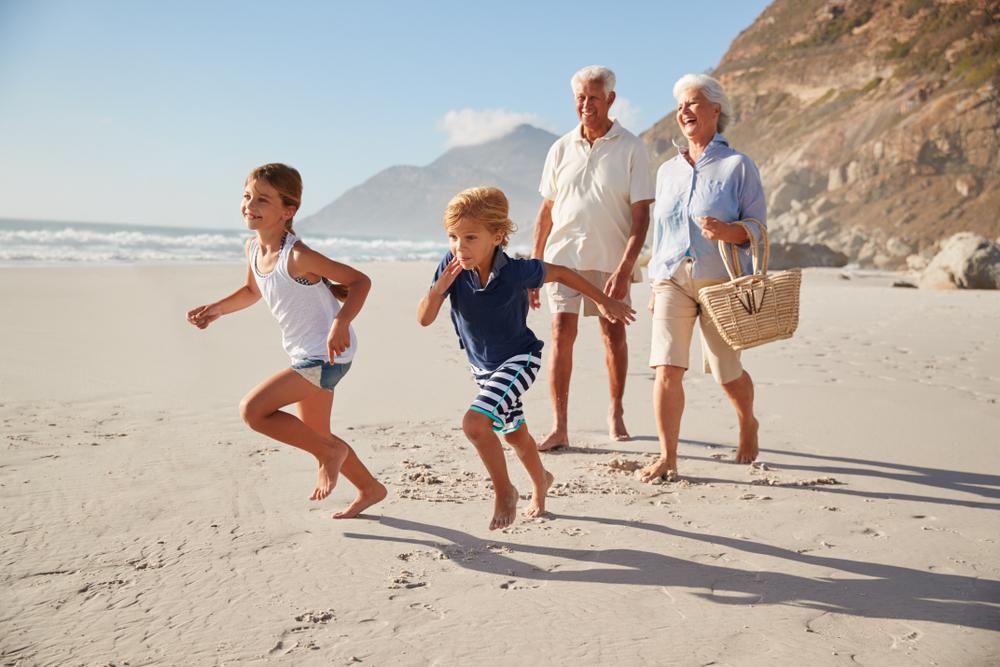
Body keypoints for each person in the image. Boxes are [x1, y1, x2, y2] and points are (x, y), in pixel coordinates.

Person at [417, 186, 635, 530]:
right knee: (515, 434)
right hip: (482, 368)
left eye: (470, 237)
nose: (460, 246)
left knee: (475, 424)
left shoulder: (516, 271)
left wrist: (605, 302)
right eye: (453, 237)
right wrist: (440, 287)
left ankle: (505, 491)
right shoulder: (452, 266)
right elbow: (424, 317)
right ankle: (541, 482)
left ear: (497, 236)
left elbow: (562, 273)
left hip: (520, 359)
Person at [186, 163, 387, 517]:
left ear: (288, 211)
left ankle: (329, 455)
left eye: (263, 199)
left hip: (326, 356)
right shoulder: (253, 248)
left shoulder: (297, 256)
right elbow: (253, 290)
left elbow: (360, 281)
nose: (250, 205)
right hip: (307, 355)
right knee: (316, 433)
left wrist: (341, 321)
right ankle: (369, 487)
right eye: (247, 196)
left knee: (254, 410)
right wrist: (216, 310)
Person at [640, 74, 767, 483]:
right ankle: (668, 456)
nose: (685, 111)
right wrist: (654, 282)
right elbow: (659, 234)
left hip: (721, 282)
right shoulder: (667, 171)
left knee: (726, 370)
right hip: (672, 279)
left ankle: (747, 421)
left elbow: (758, 226)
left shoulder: (737, 166)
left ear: (716, 110)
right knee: (667, 369)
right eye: (680, 106)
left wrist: (728, 232)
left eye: (693, 103)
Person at [531, 65, 655, 451]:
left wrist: (624, 269)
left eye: (594, 98)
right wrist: (534, 266)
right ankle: (559, 424)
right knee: (560, 335)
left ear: (611, 100)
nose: (586, 105)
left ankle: (616, 411)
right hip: (562, 259)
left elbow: (641, 217)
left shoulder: (632, 147)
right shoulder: (560, 147)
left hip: (610, 259)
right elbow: (546, 211)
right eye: (581, 98)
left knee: (612, 334)